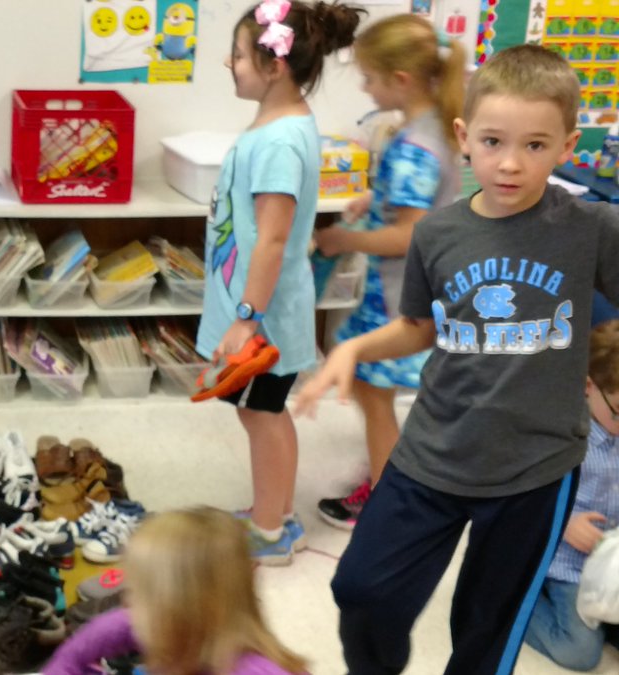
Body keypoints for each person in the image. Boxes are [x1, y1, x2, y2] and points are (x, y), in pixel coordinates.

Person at [296, 44, 619, 674]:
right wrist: (355, 347)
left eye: (535, 145)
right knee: (361, 589)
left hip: (535, 471)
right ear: (464, 137)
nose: (510, 163)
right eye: (493, 141)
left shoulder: (592, 229)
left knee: (485, 629)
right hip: (433, 453)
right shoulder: (436, 233)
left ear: (566, 146)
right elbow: (419, 329)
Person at [197, 0, 364, 564]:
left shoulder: (278, 142)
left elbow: (272, 240)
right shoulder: (279, 126)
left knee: (261, 414)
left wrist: (246, 319)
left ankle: (269, 531)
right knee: (262, 411)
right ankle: (276, 512)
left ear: (276, 66)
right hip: (260, 306)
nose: (229, 63)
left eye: (239, 55)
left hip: (262, 316)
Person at [311, 15, 465, 530]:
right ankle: (385, 473)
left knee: (374, 395)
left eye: (370, 78)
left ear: (400, 80)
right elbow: (420, 201)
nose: (364, 88)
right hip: (408, 289)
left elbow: (408, 235)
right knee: (366, 386)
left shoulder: (414, 147)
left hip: (398, 294)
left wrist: (343, 239)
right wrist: (373, 198)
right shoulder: (432, 128)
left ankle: (382, 503)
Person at [43, 507, 308, 675]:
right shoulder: (189, 633)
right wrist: (63, 666)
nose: (126, 603)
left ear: (181, 611)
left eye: (139, 595)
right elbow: (103, 634)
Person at [523, 320, 619, 671]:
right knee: (579, 652)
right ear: (588, 387)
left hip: (609, 561)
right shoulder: (561, 437)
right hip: (563, 562)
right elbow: (521, 498)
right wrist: (564, 523)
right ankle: (507, 600)